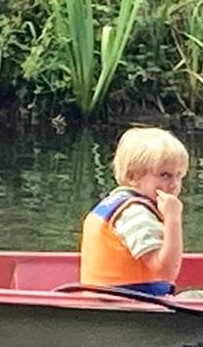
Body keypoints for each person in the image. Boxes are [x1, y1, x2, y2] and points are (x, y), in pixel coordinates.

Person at [79, 127, 191, 297]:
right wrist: (173, 219)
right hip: (133, 304)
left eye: (179, 176)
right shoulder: (135, 214)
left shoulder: (116, 204)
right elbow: (166, 273)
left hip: (106, 300)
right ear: (132, 176)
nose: (175, 185)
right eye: (165, 175)